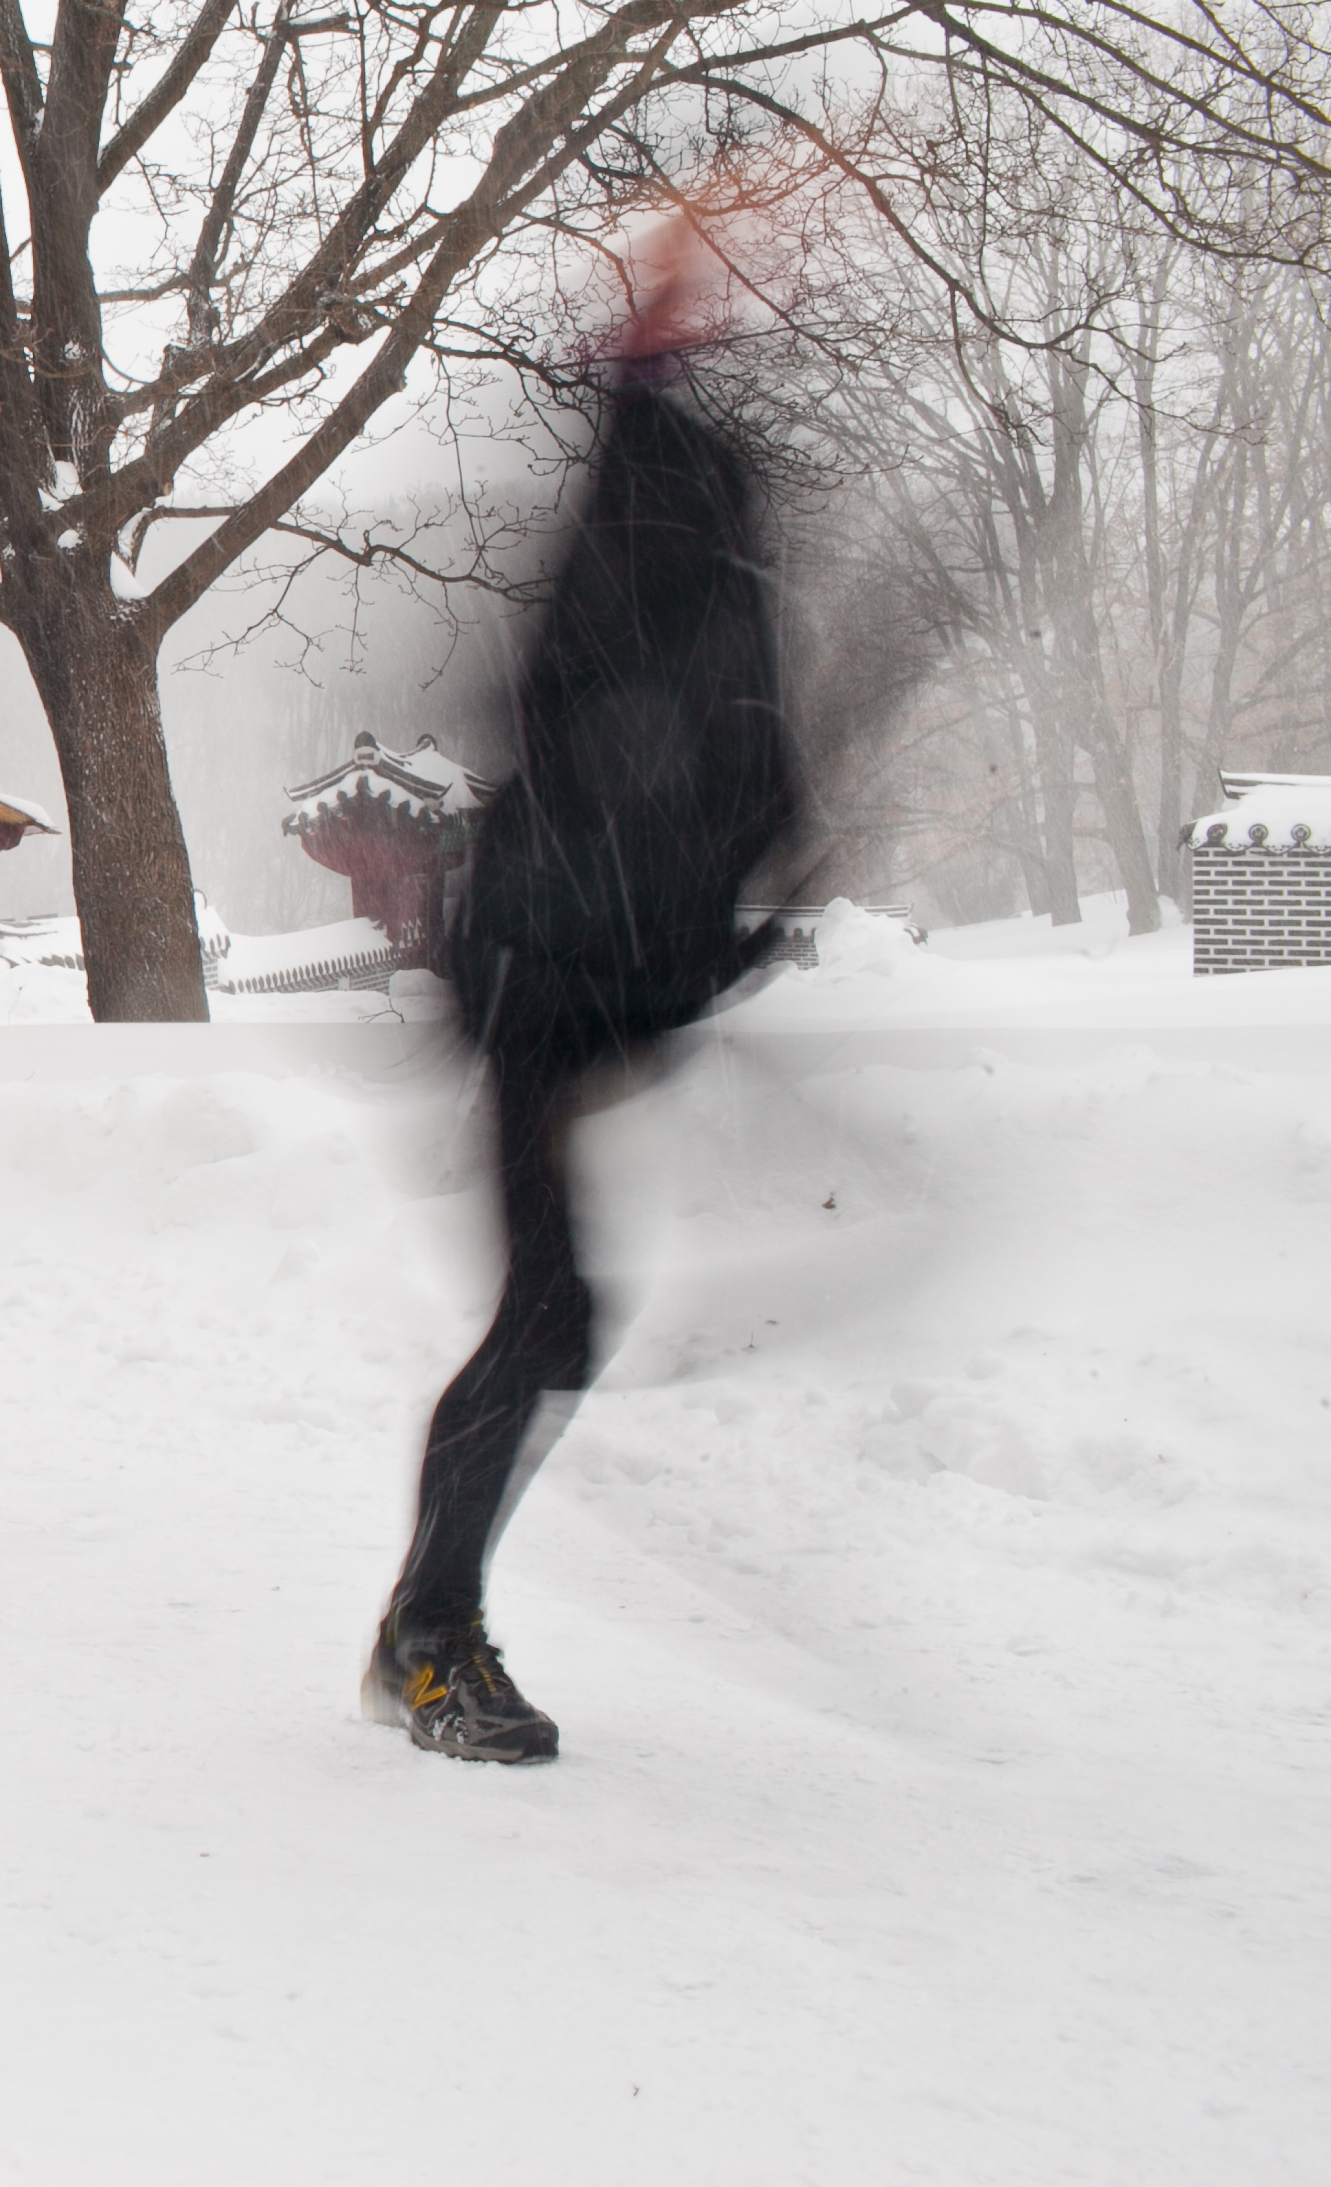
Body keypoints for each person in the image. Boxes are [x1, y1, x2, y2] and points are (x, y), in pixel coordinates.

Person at [364, 203, 802, 1761]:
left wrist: (735, 901)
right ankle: (427, 1638)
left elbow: (733, 763)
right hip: (551, 973)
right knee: (549, 1313)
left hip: (594, 968)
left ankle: (424, 1619)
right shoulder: (657, 507)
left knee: (556, 1315)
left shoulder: (701, 519)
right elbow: (647, 752)